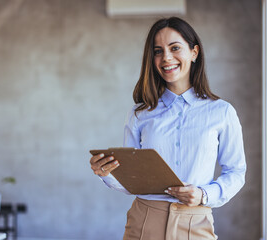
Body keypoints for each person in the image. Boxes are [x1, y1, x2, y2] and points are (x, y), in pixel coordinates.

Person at [89, 17, 246, 240]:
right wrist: (106, 173)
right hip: (143, 223)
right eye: (158, 51)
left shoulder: (221, 112)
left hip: (195, 223)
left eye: (175, 48)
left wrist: (203, 194)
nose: (166, 58)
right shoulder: (140, 114)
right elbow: (132, 180)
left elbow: (236, 172)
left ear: (194, 53)